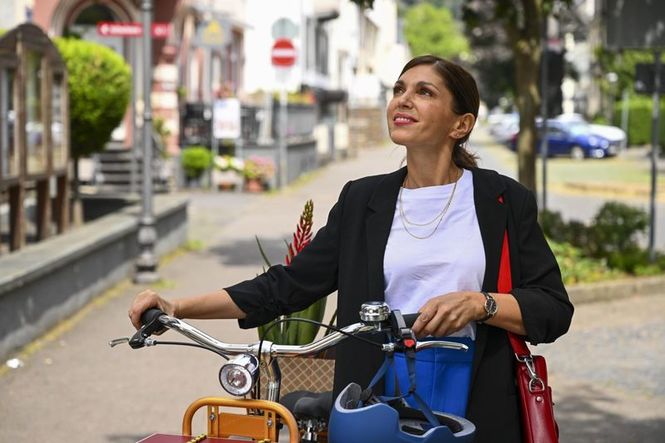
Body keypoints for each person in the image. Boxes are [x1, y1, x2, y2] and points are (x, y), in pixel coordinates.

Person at [129, 54, 573, 442]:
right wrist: (177, 305)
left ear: (461, 124)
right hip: (373, 403)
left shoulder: (502, 200)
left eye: (424, 92)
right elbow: (286, 286)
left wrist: (482, 304)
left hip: (476, 397)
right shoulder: (363, 199)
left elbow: (552, 308)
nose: (403, 99)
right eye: (399, 89)